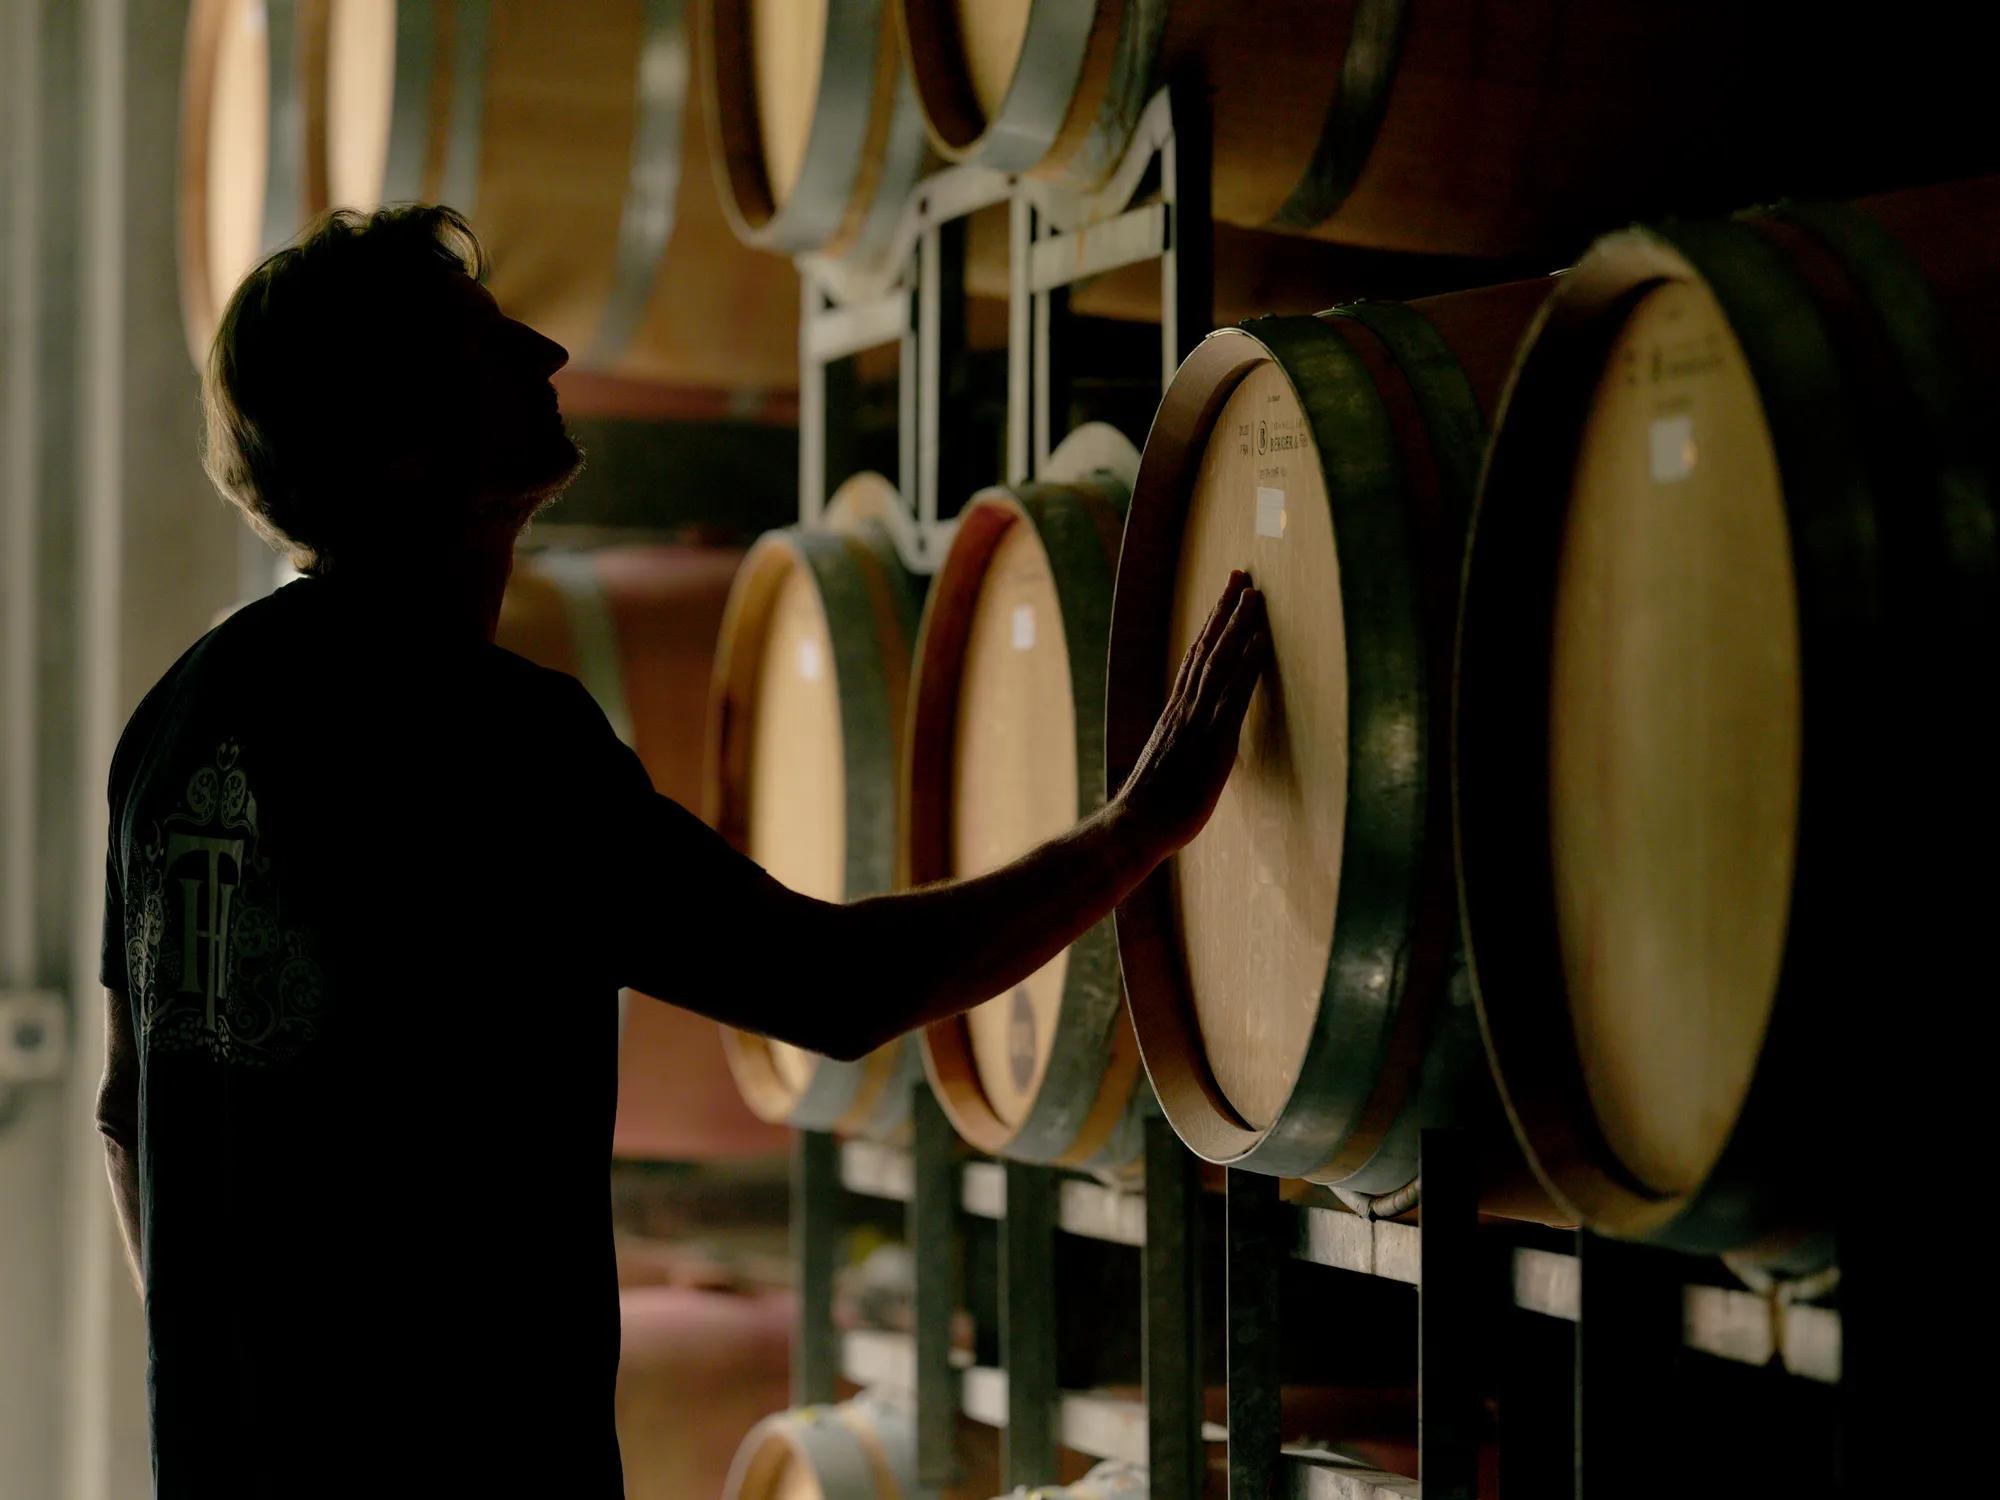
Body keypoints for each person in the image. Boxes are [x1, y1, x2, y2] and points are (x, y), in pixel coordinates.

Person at [95, 205, 1267, 1498]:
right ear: (404, 453)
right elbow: (833, 990)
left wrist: (249, 1376)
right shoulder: (485, 741)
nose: (545, 350)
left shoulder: (179, 726)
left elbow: (123, 1119)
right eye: (487, 349)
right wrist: (1133, 830)